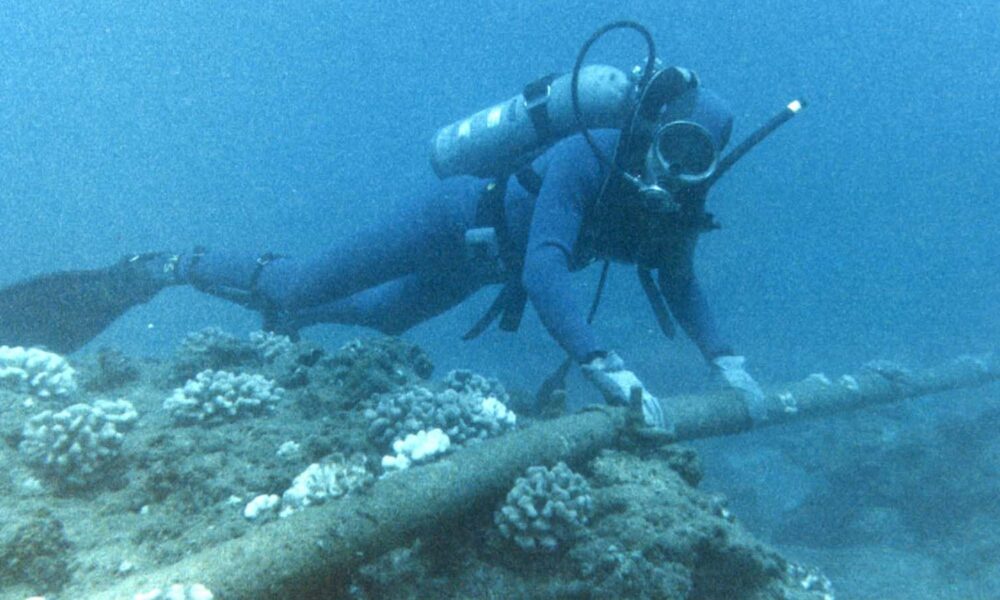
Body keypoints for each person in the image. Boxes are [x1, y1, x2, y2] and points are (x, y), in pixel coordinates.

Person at [0, 44, 773, 431]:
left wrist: (731, 367)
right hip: (452, 221)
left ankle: (291, 318)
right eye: (674, 149)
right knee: (304, 280)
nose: (678, 174)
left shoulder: (672, 206)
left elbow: (682, 284)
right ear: (649, 131)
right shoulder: (587, 154)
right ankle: (172, 264)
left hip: (480, 266)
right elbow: (545, 270)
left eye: (697, 162)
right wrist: (610, 368)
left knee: (385, 318)